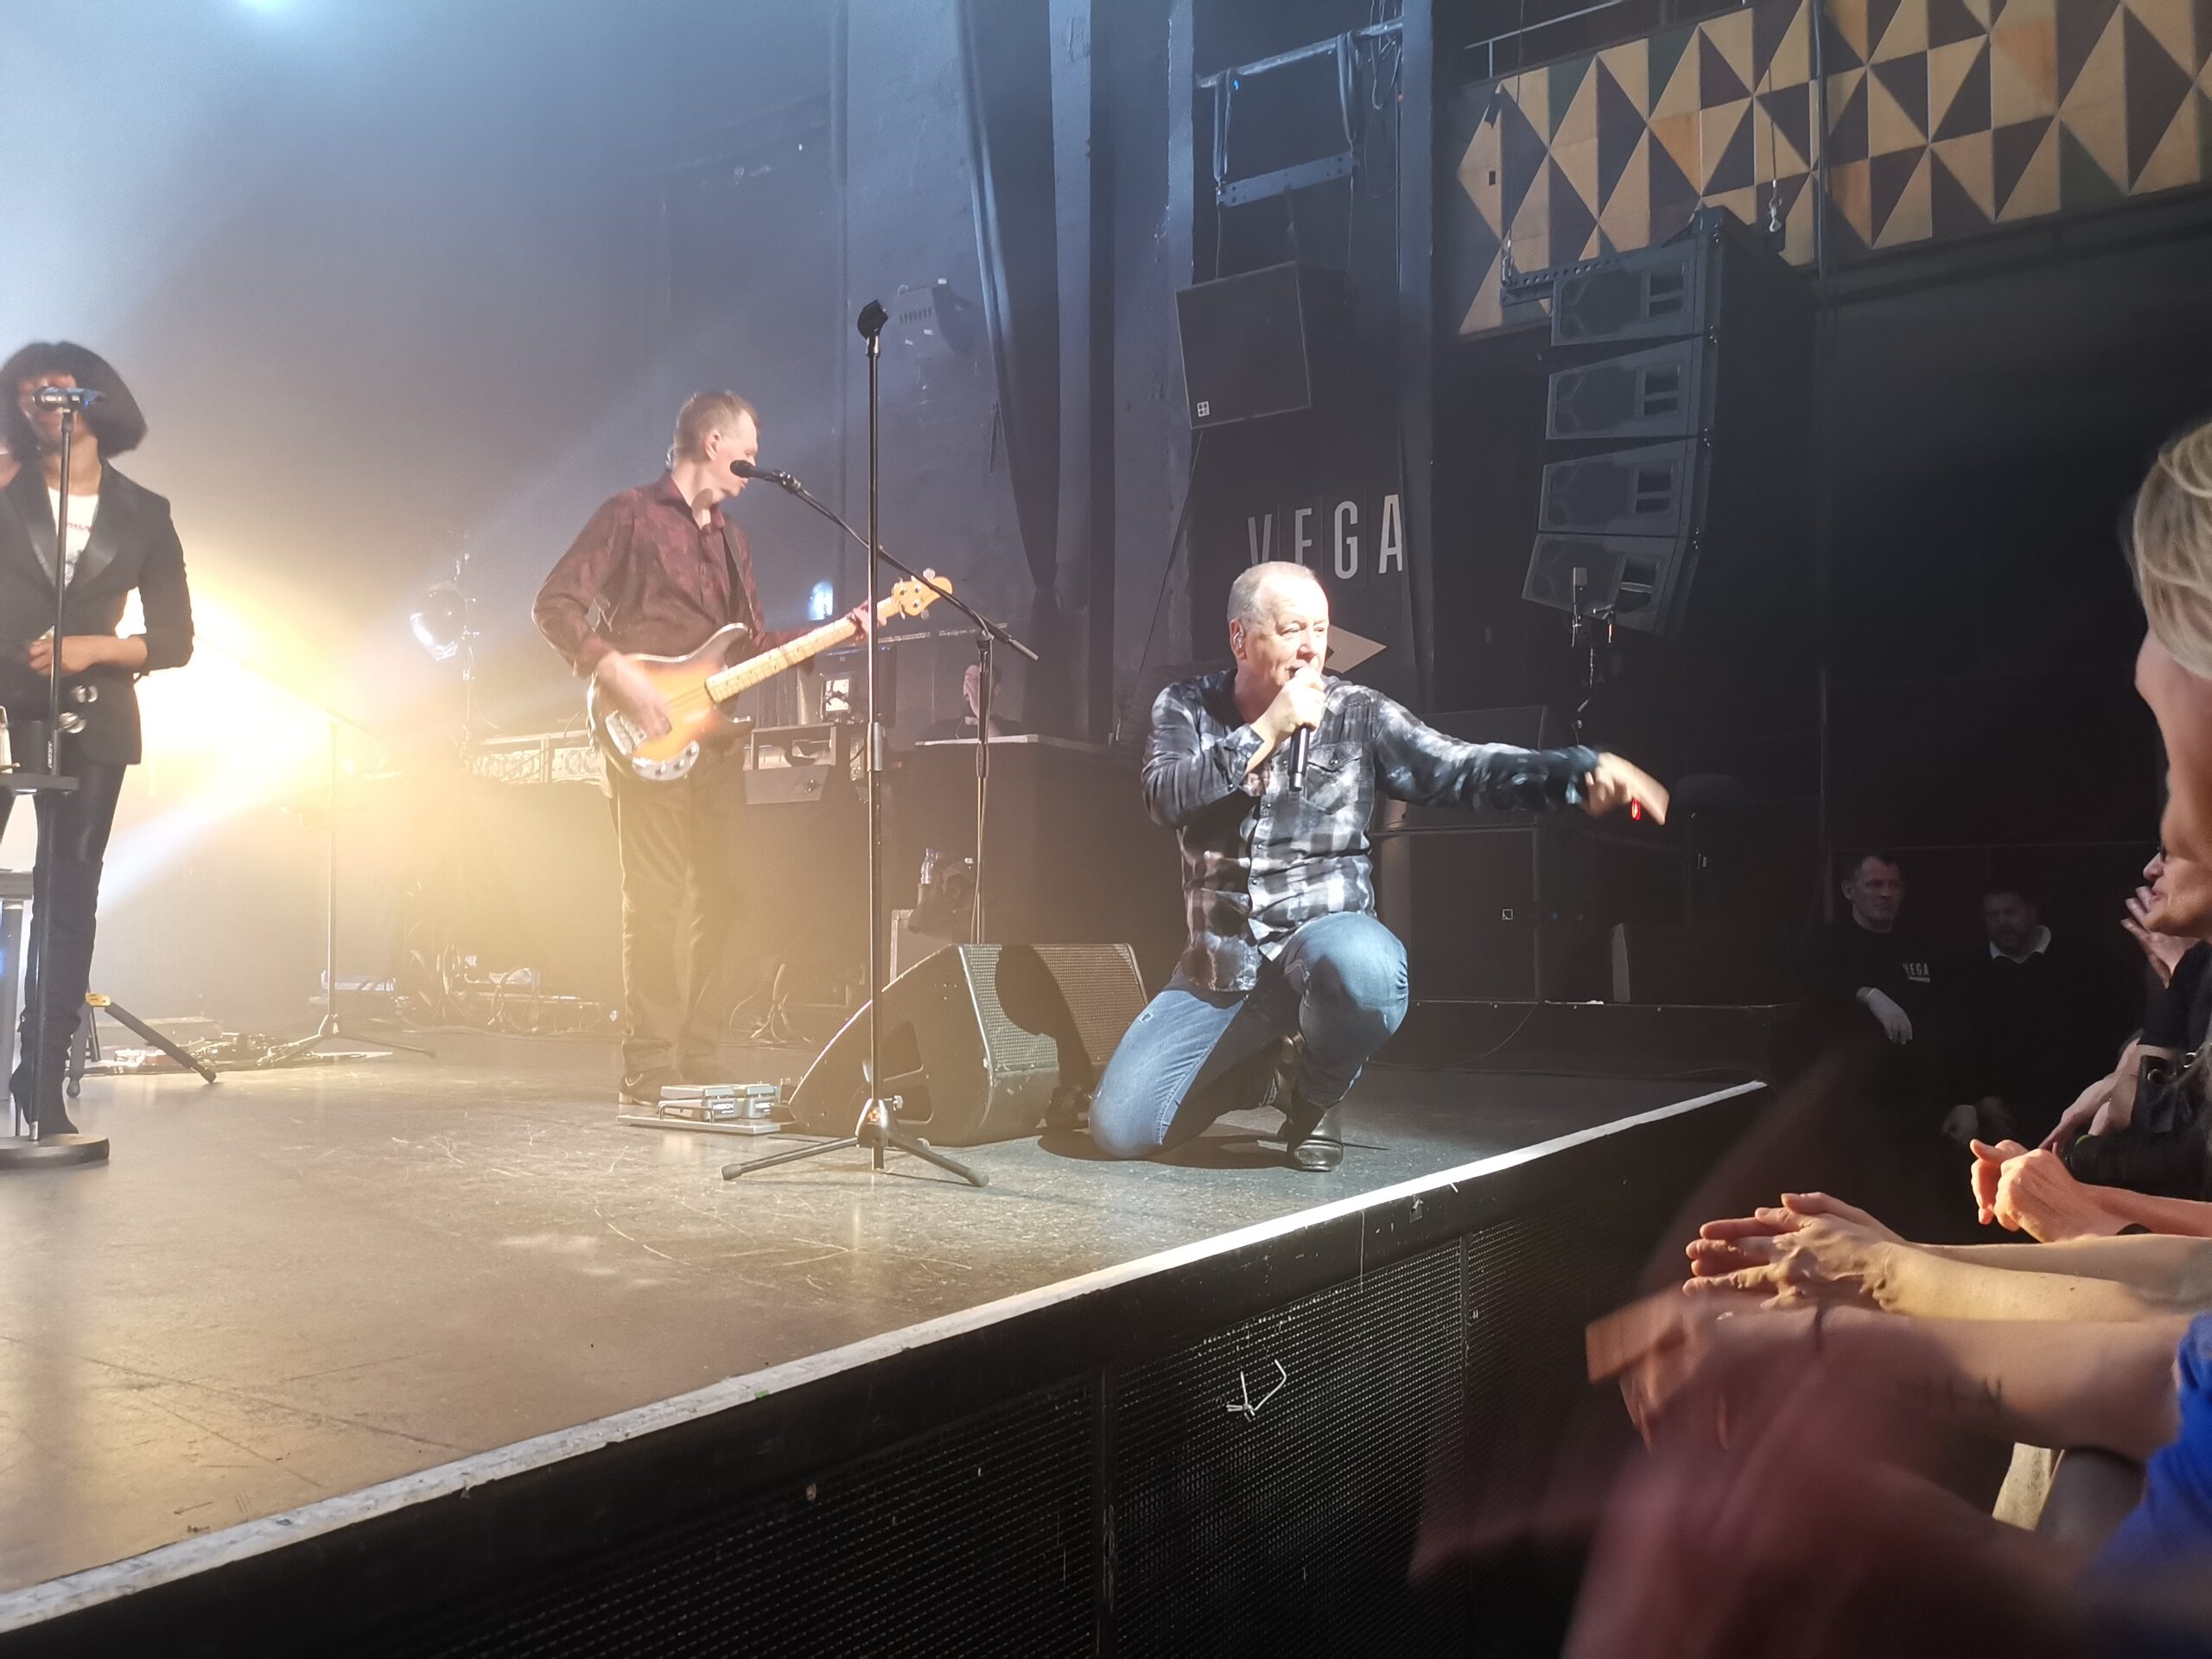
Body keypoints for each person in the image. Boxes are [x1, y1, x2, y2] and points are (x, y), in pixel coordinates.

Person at [1086, 560, 1665, 1170]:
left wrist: (1574, 773)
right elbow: (1165, 798)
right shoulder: (1186, 706)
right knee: (1120, 1130)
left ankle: (1317, 1091)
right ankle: (1271, 1075)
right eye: (1291, 629)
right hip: (1222, 963)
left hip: (1324, 939)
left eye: (1320, 629)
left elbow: (1457, 767)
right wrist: (1265, 732)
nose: (1311, 647)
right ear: (1241, 639)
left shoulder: (1357, 711)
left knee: (1368, 970)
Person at [534, 391, 862, 1105]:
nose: (756, 462)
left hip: (714, 745)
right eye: (750, 447)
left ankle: (701, 1052)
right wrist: (618, 672)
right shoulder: (630, 514)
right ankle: (648, 1064)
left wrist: (838, 631)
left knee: (734, 896)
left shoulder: (733, 541)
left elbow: (749, 644)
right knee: (654, 900)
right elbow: (554, 603)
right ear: (714, 443)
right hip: (644, 732)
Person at [0, 342, 194, 1138]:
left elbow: (175, 639)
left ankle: (41, 1076)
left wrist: (95, 649)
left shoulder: (145, 512)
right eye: (28, 391)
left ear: (94, 398)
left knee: (69, 894)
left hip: (90, 712)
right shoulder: (4, 488)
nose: (44, 398)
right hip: (3, 701)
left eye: (58, 386)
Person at [1953, 878, 2133, 1147]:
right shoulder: (1968, 973)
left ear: (2032, 911)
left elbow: (2109, 1029)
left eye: (2010, 912)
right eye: (1993, 915)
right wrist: (1977, 1097)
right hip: (2001, 1120)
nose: (2002, 922)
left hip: (2075, 1110)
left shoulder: (2082, 963)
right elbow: (1958, 1041)